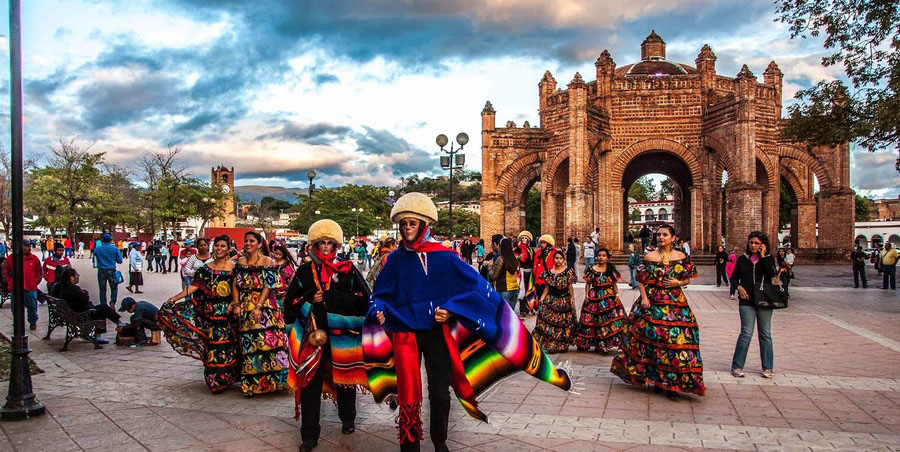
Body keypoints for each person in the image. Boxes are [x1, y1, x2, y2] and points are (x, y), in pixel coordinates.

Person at [365, 193, 571, 452]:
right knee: (408, 390)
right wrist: (379, 310)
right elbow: (380, 294)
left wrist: (450, 311)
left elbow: (473, 288)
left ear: (423, 225)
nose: (408, 229)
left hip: (436, 332)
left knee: (440, 392)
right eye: (404, 223)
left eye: (413, 223)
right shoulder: (394, 259)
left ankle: (440, 441)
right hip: (405, 331)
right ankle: (409, 444)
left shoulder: (445, 257)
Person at [283, 220, 370, 451]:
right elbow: (289, 304)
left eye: (330, 243)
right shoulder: (303, 272)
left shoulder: (347, 269)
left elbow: (365, 298)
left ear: (336, 245)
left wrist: (333, 299)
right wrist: (309, 300)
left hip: (342, 334)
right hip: (313, 337)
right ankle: (309, 435)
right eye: (321, 242)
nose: (325, 247)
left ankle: (348, 417)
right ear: (313, 245)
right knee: (310, 382)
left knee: (345, 378)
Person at [611, 225, 703, 399]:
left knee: (677, 341)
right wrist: (644, 298)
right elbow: (641, 280)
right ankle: (658, 379)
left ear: (673, 238)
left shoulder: (681, 256)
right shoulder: (649, 256)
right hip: (653, 302)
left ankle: (673, 382)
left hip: (675, 303)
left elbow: (687, 278)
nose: (661, 237)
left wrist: (678, 283)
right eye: (659, 234)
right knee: (654, 341)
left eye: (665, 234)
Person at [159, 235, 240, 393]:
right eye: (216, 245)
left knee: (229, 344)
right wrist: (174, 298)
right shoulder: (205, 268)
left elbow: (238, 288)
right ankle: (215, 380)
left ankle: (228, 377)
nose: (219, 249)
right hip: (210, 312)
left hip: (228, 312)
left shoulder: (235, 267)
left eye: (222, 246)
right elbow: (194, 286)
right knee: (212, 345)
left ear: (229, 249)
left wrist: (235, 304)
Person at [231, 231, 288, 397]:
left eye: (251, 241)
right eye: (246, 241)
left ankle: (275, 382)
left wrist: (258, 306)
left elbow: (268, 285)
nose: (248, 243)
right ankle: (252, 385)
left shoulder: (267, 261)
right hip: (244, 305)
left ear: (259, 244)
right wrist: (236, 303)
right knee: (249, 345)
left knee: (268, 343)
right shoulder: (240, 261)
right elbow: (235, 284)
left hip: (265, 305)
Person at [729, 231, 778, 379]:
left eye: (757, 243)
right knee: (746, 333)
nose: (753, 245)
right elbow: (733, 278)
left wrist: (763, 257)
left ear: (763, 245)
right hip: (746, 300)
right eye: (751, 242)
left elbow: (772, 275)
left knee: (765, 334)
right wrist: (738, 287)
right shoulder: (743, 259)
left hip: (764, 301)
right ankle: (737, 366)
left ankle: (767, 367)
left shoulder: (769, 259)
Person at [54, 268, 124, 344]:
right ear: (72, 277)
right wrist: (85, 293)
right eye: (77, 275)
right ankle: (118, 323)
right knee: (103, 308)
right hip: (79, 315)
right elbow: (85, 298)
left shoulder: (61, 286)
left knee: (101, 308)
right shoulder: (72, 288)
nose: (78, 276)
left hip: (71, 313)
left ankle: (117, 323)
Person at [576, 247, 626, 353]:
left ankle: (606, 343)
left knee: (607, 320)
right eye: (599, 256)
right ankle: (593, 343)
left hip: (608, 296)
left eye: (603, 256)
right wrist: (586, 295)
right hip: (595, 296)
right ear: (596, 257)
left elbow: (614, 284)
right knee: (593, 320)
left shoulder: (610, 270)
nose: (601, 258)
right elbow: (588, 284)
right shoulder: (592, 270)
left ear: (607, 258)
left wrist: (616, 295)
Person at [533, 249, 577, 353]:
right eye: (556, 258)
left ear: (564, 260)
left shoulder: (568, 272)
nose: (558, 260)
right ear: (553, 260)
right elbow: (547, 287)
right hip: (551, 298)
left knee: (562, 322)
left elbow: (570, 286)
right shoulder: (549, 272)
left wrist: (572, 298)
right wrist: (542, 298)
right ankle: (551, 344)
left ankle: (562, 344)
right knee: (549, 320)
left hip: (564, 299)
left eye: (560, 258)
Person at [3, 240, 42, 329]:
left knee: (32, 307)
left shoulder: (34, 258)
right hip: (16, 288)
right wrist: (10, 282)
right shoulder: (11, 258)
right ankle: (18, 322)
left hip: (30, 288)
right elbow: (5, 272)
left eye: (30, 246)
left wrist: (35, 281)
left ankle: (33, 322)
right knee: (15, 308)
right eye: (27, 246)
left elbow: (39, 272)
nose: (29, 248)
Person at [490, 238, 520, 313]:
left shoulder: (500, 259)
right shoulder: (514, 259)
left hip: (504, 288)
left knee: (503, 315)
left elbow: (493, 275)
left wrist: (489, 269)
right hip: (514, 290)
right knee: (510, 315)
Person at [94, 233, 123, 308]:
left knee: (102, 289)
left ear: (102, 240)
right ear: (111, 240)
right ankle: (112, 303)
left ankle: (103, 305)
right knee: (114, 288)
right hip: (111, 270)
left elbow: (94, 261)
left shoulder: (97, 249)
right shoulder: (115, 249)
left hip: (101, 270)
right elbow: (120, 261)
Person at [516, 231, 536, 315]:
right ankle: (523, 309)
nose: (524, 240)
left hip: (530, 272)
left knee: (530, 290)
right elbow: (514, 258)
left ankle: (529, 307)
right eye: (522, 238)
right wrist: (518, 258)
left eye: (526, 238)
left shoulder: (530, 250)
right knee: (522, 290)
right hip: (521, 271)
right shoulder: (518, 249)